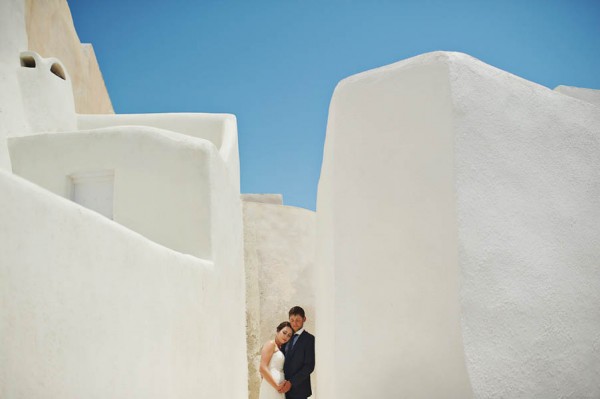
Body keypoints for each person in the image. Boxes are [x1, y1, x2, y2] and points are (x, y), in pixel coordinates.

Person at [279, 306, 315, 399]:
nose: (294, 323)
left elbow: (309, 366)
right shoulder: (285, 336)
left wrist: (291, 383)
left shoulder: (309, 339)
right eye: (292, 320)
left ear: (304, 319)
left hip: (300, 389)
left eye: (298, 320)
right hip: (282, 387)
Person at [259, 321, 294, 399]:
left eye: (289, 335)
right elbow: (262, 368)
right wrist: (277, 386)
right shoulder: (271, 344)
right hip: (272, 386)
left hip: (278, 387)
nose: (286, 337)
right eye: (284, 333)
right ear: (278, 331)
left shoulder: (281, 348)